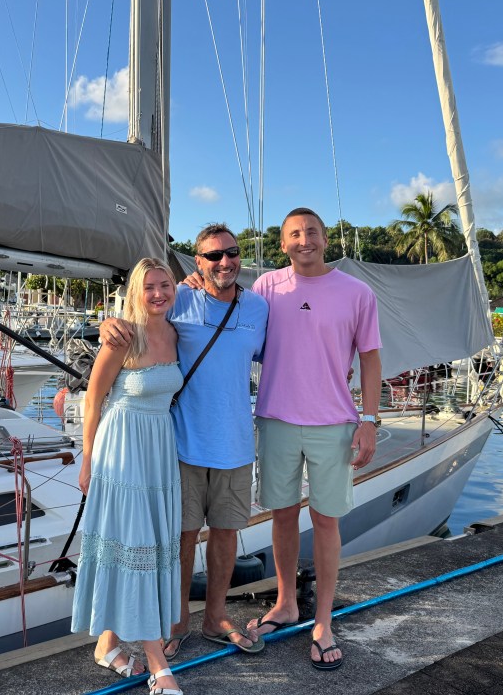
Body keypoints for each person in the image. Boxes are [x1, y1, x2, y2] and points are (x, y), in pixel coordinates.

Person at [99, 224, 268, 658]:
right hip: (182, 443)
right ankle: (177, 621)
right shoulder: (181, 298)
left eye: (231, 253)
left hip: (235, 443)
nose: (224, 262)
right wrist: (108, 323)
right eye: (213, 256)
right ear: (198, 261)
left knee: (226, 534)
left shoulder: (258, 307)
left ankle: (215, 618)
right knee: (181, 538)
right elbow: (142, 314)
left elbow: (283, 356)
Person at [246, 207, 382, 672]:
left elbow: (370, 358)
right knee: (282, 515)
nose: (304, 240)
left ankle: (323, 621)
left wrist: (369, 420)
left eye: (312, 232)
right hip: (276, 419)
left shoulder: (357, 293)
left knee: (326, 520)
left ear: (326, 239)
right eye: (294, 234)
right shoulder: (266, 287)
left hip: (334, 424)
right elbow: (234, 327)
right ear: (283, 243)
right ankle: (286, 603)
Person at [70, 258, 184, 695]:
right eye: (149, 287)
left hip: (158, 449)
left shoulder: (176, 333)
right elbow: (93, 401)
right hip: (122, 450)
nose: (158, 294)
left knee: (145, 544)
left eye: (165, 285)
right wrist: (87, 460)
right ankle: (158, 664)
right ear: (136, 292)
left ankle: (106, 644)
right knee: (136, 545)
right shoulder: (122, 338)